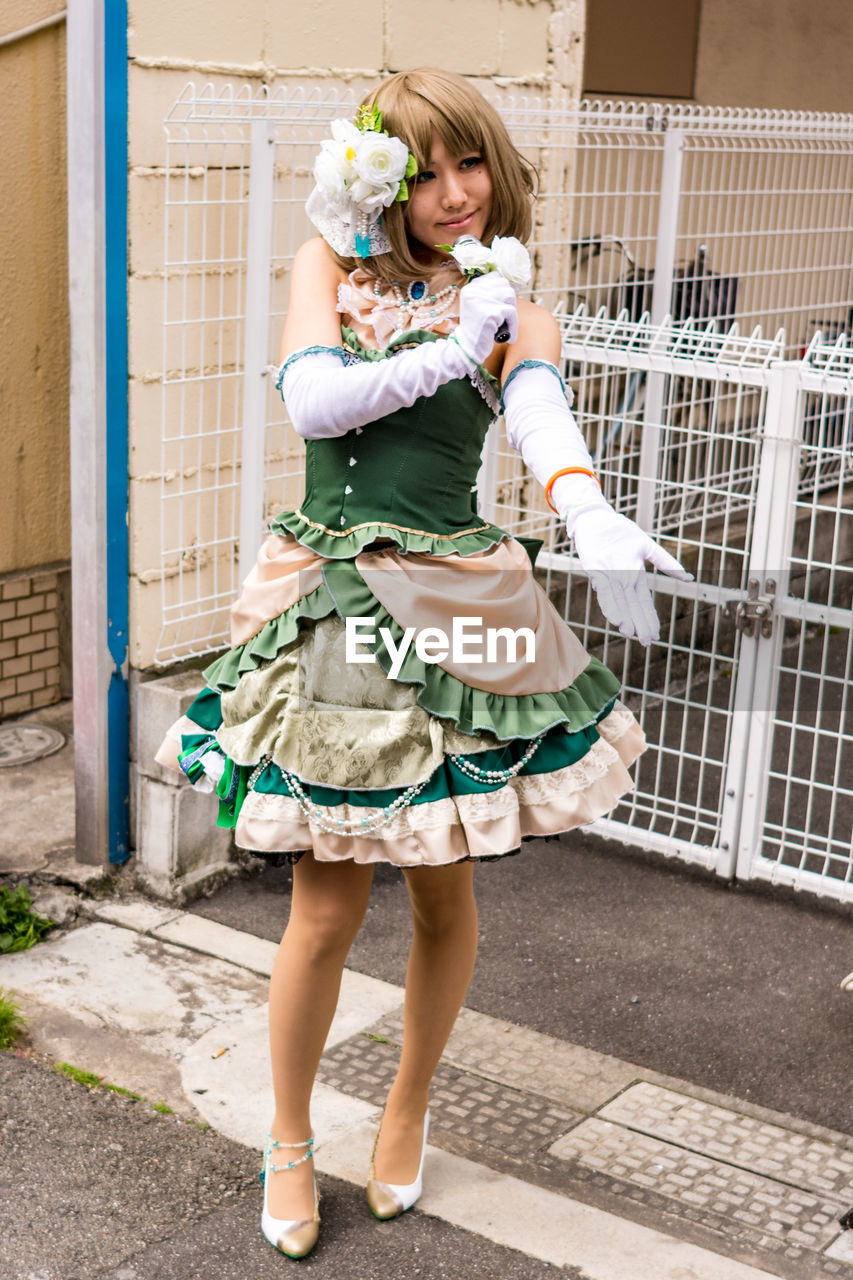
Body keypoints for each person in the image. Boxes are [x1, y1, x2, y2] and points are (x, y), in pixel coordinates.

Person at [156, 67, 689, 1260]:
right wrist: (455, 346)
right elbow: (316, 404)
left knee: (445, 886)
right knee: (324, 899)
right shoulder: (327, 275)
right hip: (341, 597)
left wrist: (584, 506)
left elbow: (541, 412)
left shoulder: (517, 306)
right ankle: (288, 1135)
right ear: (380, 186)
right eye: (425, 170)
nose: (454, 192)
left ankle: (406, 1104)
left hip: (463, 592)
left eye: (471, 163)